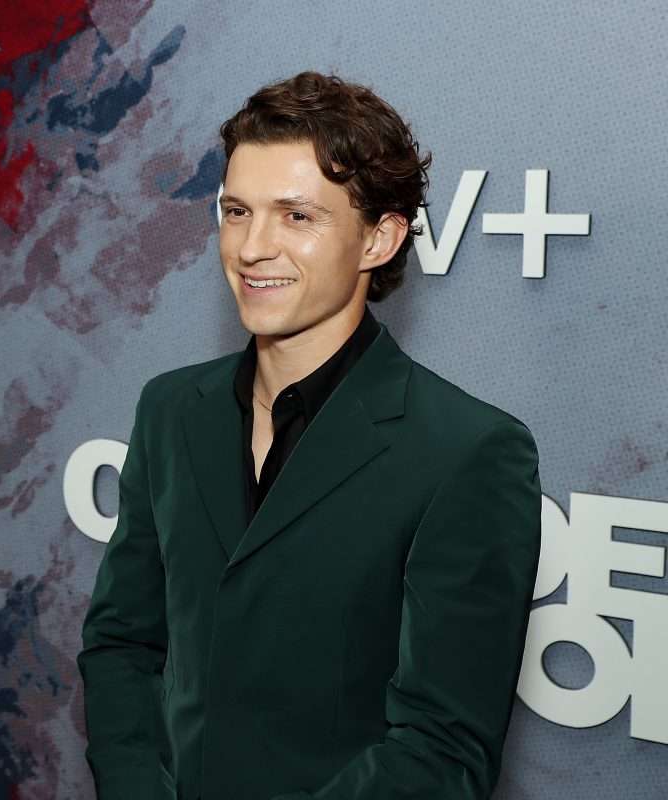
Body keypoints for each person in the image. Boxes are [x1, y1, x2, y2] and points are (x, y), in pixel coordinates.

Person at [76, 71, 542, 800]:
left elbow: (442, 749)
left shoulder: (467, 452)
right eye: (236, 211)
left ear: (379, 238)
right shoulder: (170, 409)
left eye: (296, 216)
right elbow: (122, 644)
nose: (252, 247)